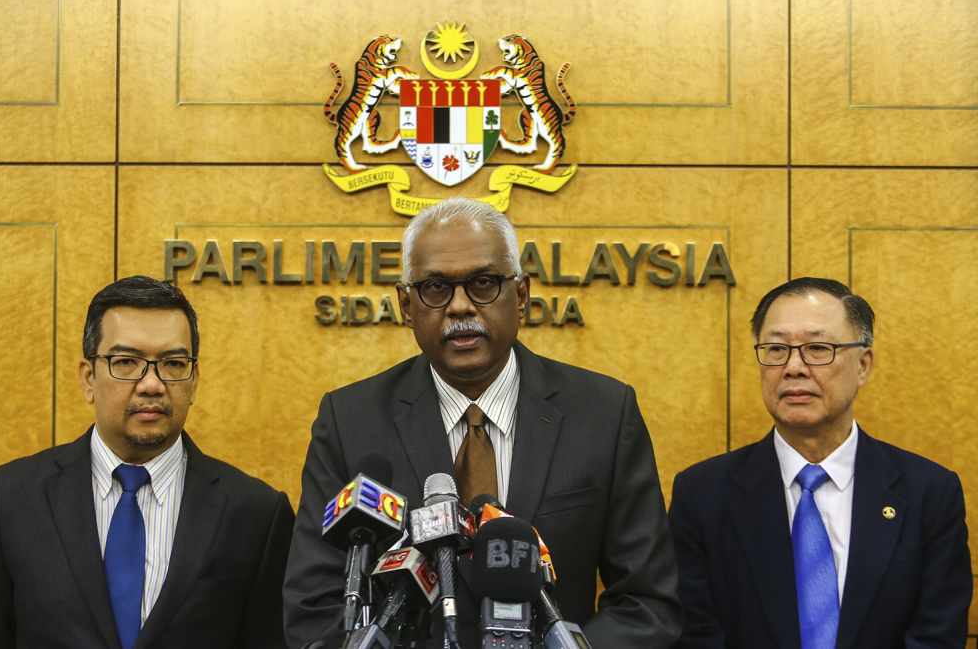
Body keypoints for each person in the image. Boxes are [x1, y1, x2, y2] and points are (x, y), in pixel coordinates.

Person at [283, 198, 681, 648]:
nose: (459, 307)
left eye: (483, 284)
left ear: (523, 295)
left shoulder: (605, 414)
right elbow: (313, 607)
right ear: (406, 305)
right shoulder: (350, 421)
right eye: (435, 288)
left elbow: (647, 603)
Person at [0, 276, 295, 649]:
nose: (152, 384)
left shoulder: (256, 514)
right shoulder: (12, 498)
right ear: (87, 378)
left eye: (173, 363)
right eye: (126, 362)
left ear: (193, 381)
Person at [669, 277, 972, 648]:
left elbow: (936, 637)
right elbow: (696, 636)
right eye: (776, 349)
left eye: (817, 348)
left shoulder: (928, 493)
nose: (794, 367)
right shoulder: (703, 494)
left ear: (863, 365)